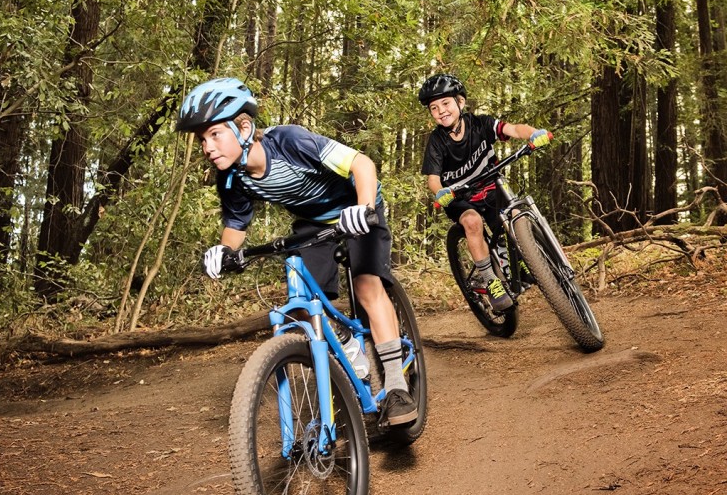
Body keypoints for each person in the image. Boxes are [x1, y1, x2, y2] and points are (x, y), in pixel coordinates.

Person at [177, 77, 417, 426]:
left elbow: (361, 164)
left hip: (358, 207)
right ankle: (348, 347)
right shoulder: (232, 177)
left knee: (366, 287)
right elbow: (236, 225)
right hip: (314, 223)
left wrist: (363, 209)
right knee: (301, 304)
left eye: (215, 134)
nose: (207, 147)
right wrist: (224, 250)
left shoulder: (289, 142)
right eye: (202, 139)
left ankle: (396, 387)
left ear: (244, 127)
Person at [418, 73, 550, 312]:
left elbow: (514, 129)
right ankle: (491, 281)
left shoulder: (481, 124)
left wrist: (533, 133)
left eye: (445, 103)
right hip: (459, 198)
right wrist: (440, 193)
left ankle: (527, 261)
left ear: (460, 102)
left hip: (490, 188)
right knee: (472, 221)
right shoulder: (437, 141)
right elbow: (433, 179)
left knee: (512, 213)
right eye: (434, 108)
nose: (441, 111)